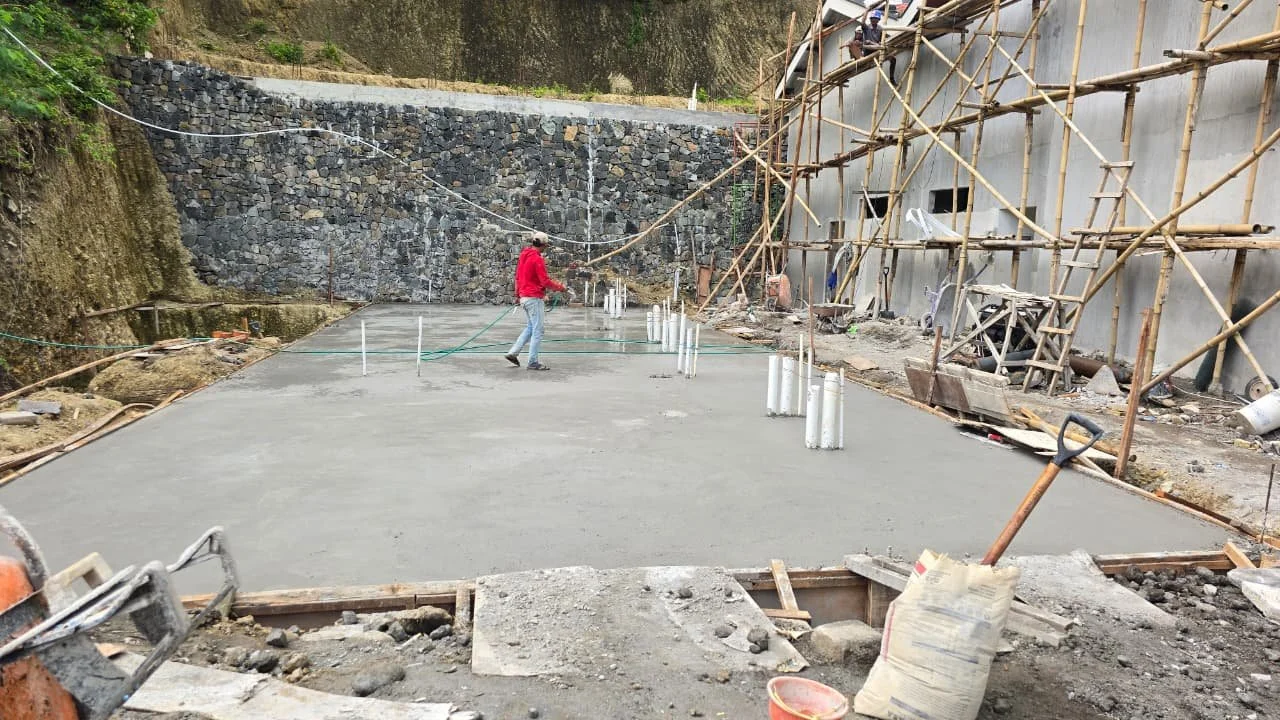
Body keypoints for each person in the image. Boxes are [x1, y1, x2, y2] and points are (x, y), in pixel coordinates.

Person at [505, 232, 566, 371]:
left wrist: (518, 295)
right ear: (543, 245)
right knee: (538, 330)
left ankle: (513, 353)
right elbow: (544, 281)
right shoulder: (537, 259)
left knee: (530, 327)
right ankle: (532, 362)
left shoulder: (524, 254)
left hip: (524, 297)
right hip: (533, 298)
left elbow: (518, 276)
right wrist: (560, 288)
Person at [845, 9, 897, 85]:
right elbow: (862, 22)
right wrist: (867, 10)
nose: (873, 20)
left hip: (877, 50)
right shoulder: (867, 28)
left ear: (878, 20)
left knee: (893, 59)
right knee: (860, 46)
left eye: (875, 19)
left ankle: (892, 78)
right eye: (872, 18)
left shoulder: (880, 29)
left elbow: (881, 42)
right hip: (867, 51)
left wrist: (875, 43)